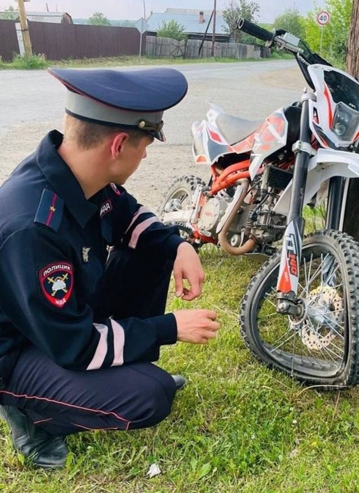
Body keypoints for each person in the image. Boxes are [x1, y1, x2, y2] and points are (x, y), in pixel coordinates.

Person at [0, 67, 220, 469]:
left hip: (58, 321)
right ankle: (29, 416)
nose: (147, 154)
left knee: (155, 248)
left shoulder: (83, 174)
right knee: (149, 395)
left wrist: (179, 245)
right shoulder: (32, 227)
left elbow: (129, 215)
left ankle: (117, 370)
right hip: (19, 352)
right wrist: (170, 327)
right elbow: (75, 345)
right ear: (118, 144)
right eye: (146, 144)